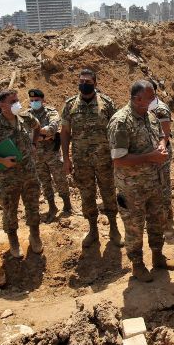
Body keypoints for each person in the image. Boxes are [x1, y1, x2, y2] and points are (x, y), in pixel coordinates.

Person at [108, 80, 174, 283]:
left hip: (154, 183)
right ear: (138, 99)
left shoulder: (150, 116)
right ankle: (137, 265)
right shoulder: (121, 122)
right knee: (134, 227)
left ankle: (158, 256)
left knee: (157, 221)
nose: (154, 100)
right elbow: (118, 159)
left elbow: (162, 136)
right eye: (150, 97)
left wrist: (162, 145)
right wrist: (150, 157)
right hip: (132, 188)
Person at [0, 90, 44, 258]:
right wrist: (1, 160)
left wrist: (34, 144)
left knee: (33, 207)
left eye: (17, 100)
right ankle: (13, 242)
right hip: (8, 177)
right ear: (2, 105)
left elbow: (37, 127)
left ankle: (35, 236)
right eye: (12, 101)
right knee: (9, 210)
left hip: (29, 173)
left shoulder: (26, 118)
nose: (17, 104)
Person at [61, 69, 122, 247]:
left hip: (105, 160)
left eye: (88, 82)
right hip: (81, 162)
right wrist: (66, 159)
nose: (84, 84)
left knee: (109, 193)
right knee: (86, 196)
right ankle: (93, 231)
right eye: (81, 81)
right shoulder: (70, 105)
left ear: (95, 83)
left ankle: (114, 229)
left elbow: (117, 130)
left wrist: (118, 156)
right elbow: (65, 133)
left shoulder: (107, 103)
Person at [28, 89, 71, 222]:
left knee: (60, 179)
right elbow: (23, 133)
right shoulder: (26, 115)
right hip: (36, 156)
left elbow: (52, 128)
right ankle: (52, 207)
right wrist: (43, 135)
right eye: (32, 100)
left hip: (52, 154)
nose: (34, 102)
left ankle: (67, 205)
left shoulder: (51, 112)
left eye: (36, 100)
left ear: (43, 100)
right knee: (44, 181)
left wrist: (35, 134)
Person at [148, 79, 174, 238]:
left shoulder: (161, 109)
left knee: (163, 185)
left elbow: (165, 135)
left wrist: (159, 152)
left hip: (161, 153)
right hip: (148, 154)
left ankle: (166, 222)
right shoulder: (143, 106)